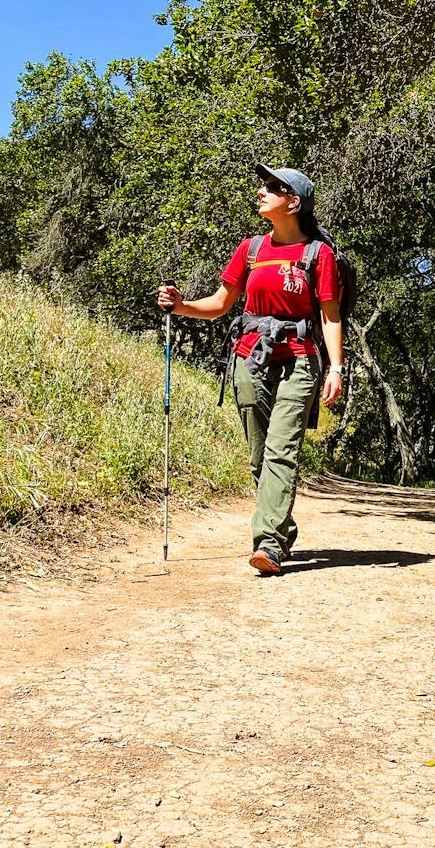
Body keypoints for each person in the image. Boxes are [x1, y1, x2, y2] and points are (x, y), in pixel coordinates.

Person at [157, 165, 345, 575]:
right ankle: (281, 525)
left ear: (293, 202)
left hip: (300, 359)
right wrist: (181, 305)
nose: (263, 191)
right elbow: (221, 303)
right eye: (265, 184)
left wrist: (336, 369)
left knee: (282, 450)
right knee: (261, 457)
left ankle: (269, 545)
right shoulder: (252, 249)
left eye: (273, 187)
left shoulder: (319, 255)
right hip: (249, 358)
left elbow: (330, 317)